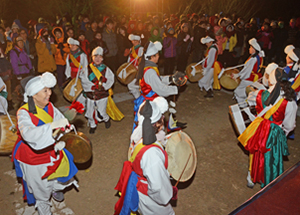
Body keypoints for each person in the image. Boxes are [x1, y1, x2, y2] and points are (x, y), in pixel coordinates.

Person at [12, 72, 78, 214]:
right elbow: (29, 134)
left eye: (49, 89)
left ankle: (55, 190)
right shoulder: (23, 113)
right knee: (41, 191)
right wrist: (54, 127)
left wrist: (66, 122)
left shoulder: (49, 106)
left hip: (52, 150)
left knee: (58, 175)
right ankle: (44, 209)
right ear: (34, 94)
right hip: (33, 159)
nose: (50, 93)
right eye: (45, 90)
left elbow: (59, 120)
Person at [114, 97, 176, 215]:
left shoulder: (137, 133)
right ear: (157, 122)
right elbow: (158, 188)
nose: (164, 118)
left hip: (141, 189)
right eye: (162, 117)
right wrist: (167, 193)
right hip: (150, 198)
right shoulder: (152, 154)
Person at [239, 68, 297, 188]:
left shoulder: (259, 94)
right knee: (272, 158)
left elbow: (250, 101)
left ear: (270, 81)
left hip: (259, 128)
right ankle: (268, 183)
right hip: (274, 132)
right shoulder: (289, 102)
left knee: (254, 152)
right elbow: (289, 125)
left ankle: (251, 178)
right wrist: (283, 132)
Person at [131, 41, 184, 130]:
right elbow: (160, 89)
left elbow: (158, 79)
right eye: (157, 55)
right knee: (155, 127)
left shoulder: (149, 67)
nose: (159, 56)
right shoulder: (150, 71)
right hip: (151, 103)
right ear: (152, 56)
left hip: (149, 101)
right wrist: (176, 89)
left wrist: (171, 78)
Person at [80, 47, 114, 134]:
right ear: (92, 57)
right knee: (90, 112)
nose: (97, 59)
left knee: (101, 112)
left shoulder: (106, 69)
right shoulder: (87, 68)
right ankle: (92, 125)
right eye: (95, 56)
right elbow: (84, 80)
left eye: (99, 57)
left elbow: (111, 80)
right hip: (91, 95)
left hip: (102, 95)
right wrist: (91, 87)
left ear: (102, 58)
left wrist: (103, 86)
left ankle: (106, 119)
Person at [233, 38, 264, 104]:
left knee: (238, 91)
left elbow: (247, 70)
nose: (249, 49)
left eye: (250, 47)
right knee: (246, 92)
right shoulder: (259, 56)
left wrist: (238, 76)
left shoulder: (252, 59)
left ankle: (242, 104)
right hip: (254, 77)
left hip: (249, 78)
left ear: (254, 49)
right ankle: (245, 103)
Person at [65, 37, 88, 107]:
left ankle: (81, 107)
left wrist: (83, 77)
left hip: (80, 76)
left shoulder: (82, 55)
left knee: (80, 92)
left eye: (74, 45)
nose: (72, 47)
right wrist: (68, 76)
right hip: (73, 76)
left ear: (78, 46)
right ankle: (76, 105)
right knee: (74, 91)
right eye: (71, 45)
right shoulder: (69, 56)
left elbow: (85, 67)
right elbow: (68, 66)